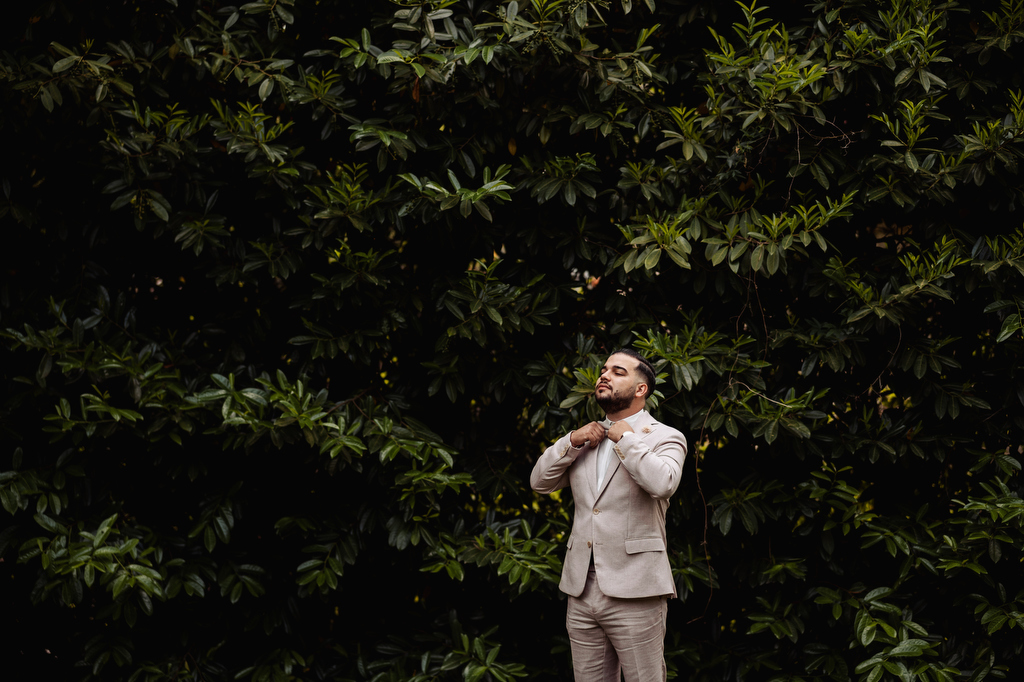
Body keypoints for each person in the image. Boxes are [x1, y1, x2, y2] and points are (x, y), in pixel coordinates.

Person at [530, 348, 687, 682]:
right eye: (604, 370)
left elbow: (663, 483)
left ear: (641, 389)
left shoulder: (666, 436)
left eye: (618, 372)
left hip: (637, 589)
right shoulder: (586, 437)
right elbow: (539, 483)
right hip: (581, 589)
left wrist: (626, 438)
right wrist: (572, 440)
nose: (604, 375)